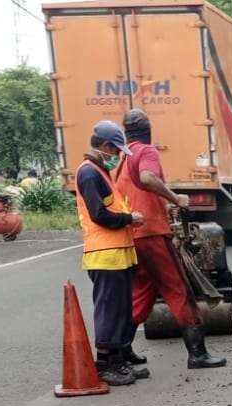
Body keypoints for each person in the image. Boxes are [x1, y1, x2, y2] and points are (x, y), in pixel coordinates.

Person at [117, 108, 226, 369]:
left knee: (142, 293)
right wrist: (174, 198)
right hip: (153, 234)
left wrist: (163, 206)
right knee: (179, 289)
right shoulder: (145, 151)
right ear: (148, 130)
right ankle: (197, 354)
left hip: (133, 236)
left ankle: (121, 352)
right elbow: (147, 177)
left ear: (125, 132)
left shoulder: (123, 158)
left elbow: (134, 193)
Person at [75, 121, 148, 387]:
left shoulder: (99, 172)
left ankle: (119, 360)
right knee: (109, 309)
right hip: (104, 254)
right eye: (116, 151)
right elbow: (99, 215)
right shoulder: (89, 173)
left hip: (117, 254)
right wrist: (130, 218)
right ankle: (105, 364)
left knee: (120, 309)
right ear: (104, 146)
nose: (117, 157)